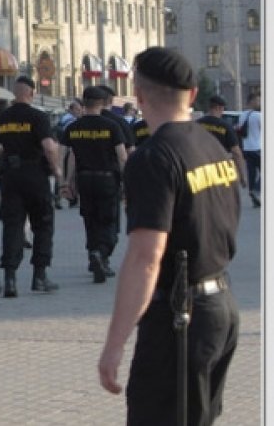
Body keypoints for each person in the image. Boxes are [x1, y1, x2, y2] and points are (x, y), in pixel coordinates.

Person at [98, 47, 240, 426]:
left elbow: (146, 259)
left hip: (180, 318)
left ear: (139, 95)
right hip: (220, 308)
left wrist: (115, 345)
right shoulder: (212, 147)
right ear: (192, 95)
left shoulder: (154, 157)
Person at [0, 76, 63, 297]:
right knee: (43, 223)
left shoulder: (2, 118)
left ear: (14, 92)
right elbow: (49, 146)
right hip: (35, 175)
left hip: (10, 177)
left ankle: (10, 279)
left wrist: (3, 159)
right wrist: (56, 170)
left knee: (12, 225)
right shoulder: (38, 117)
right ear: (32, 92)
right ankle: (39, 276)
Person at [58, 86, 128, 284]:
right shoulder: (111, 126)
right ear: (103, 103)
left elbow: (65, 154)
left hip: (84, 179)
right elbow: (122, 157)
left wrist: (65, 181)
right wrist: (128, 183)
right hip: (107, 179)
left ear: (83, 103)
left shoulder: (73, 127)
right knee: (109, 222)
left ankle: (94, 256)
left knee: (90, 220)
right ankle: (101, 253)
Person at [197, 95, 248, 192]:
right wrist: (242, 176)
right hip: (221, 169)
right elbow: (236, 152)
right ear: (219, 108)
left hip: (200, 168)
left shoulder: (197, 124)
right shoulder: (226, 126)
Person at [55, 99, 83, 209]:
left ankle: (63, 196)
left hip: (63, 150)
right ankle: (70, 196)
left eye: (80, 110)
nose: (79, 112)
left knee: (64, 173)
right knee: (70, 174)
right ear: (71, 110)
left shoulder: (62, 119)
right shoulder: (71, 122)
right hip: (68, 150)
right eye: (77, 109)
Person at [237, 93, 262, 207]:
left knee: (251, 172)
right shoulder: (258, 115)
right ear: (251, 101)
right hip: (258, 148)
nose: (259, 102)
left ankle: (253, 193)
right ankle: (257, 190)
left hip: (246, 149)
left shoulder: (243, 115)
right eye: (257, 100)